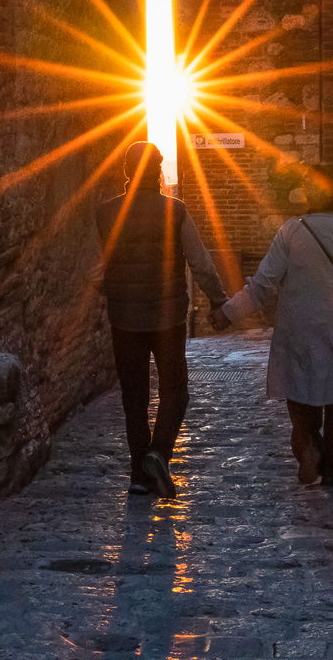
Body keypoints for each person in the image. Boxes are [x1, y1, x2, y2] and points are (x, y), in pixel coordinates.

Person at [210, 163, 333, 486]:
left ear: (307, 191)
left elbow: (261, 286)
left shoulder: (290, 232)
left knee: (302, 404)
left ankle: (309, 446)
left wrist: (228, 313)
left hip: (300, 334)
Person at [96, 141, 228, 497]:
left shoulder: (106, 212)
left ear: (126, 171)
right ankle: (159, 452)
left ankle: (139, 476)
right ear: (158, 171)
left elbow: (100, 269)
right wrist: (218, 301)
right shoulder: (175, 211)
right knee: (175, 391)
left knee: (134, 397)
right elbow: (200, 262)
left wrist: (111, 288)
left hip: (124, 318)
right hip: (168, 317)